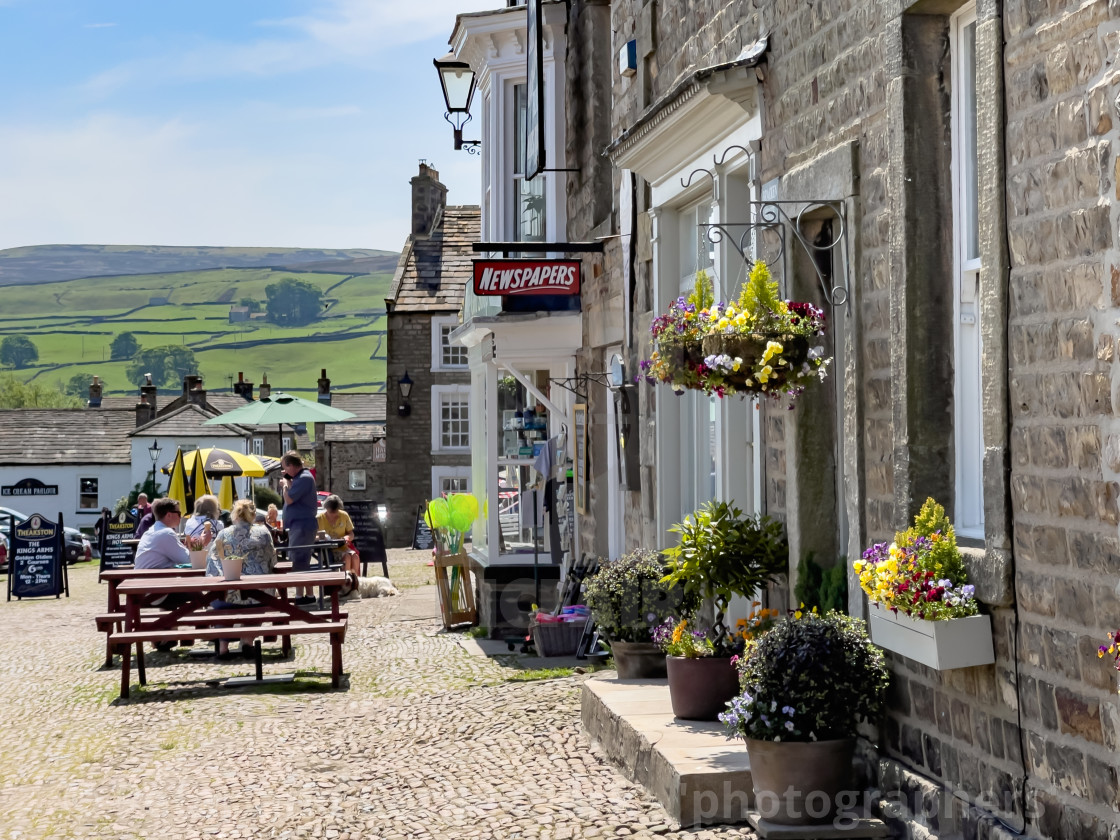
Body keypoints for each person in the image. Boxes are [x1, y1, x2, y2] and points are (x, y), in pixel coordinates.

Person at [206, 499, 278, 658]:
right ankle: (247, 641)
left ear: (234, 514)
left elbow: (211, 563)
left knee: (223, 602)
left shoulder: (224, 533)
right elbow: (272, 560)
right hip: (256, 595)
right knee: (259, 597)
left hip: (226, 595)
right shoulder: (263, 533)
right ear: (253, 515)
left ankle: (223, 647)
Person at [279, 451, 317, 604]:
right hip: (299, 525)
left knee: (299, 561)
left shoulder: (304, 478)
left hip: (302, 525)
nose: (285, 471)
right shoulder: (300, 478)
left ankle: (301, 596)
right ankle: (307, 595)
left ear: (292, 465)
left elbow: (289, 499)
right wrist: (289, 479)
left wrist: (284, 485)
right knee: (301, 560)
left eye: (285, 468)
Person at [134, 498, 189, 570]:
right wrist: (202, 543)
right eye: (179, 513)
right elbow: (188, 560)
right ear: (169, 515)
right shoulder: (166, 533)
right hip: (152, 579)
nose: (181, 517)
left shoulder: (149, 532)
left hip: (142, 578)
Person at [317, 495, 361, 583]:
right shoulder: (319, 518)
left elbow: (351, 533)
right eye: (331, 511)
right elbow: (313, 537)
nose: (334, 514)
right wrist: (321, 538)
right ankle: (345, 584)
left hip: (342, 547)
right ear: (326, 508)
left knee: (355, 557)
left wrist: (347, 537)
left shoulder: (344, 516)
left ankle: (356, 583)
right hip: (327, 550)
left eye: (336, 511)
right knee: (347, 558)